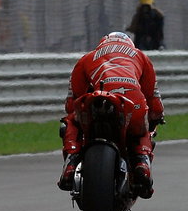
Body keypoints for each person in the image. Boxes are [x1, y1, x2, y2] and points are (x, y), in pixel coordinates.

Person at [58, 31, 164, 197]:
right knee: (142, 128)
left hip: (95, 102)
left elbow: (72, 102)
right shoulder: (141, 56)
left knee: (72, 120)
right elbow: (153, 97)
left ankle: (71, 161)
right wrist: (157, 116)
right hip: (132, 101)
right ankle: (142, 162)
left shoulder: (87, 57)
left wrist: (75, 110)